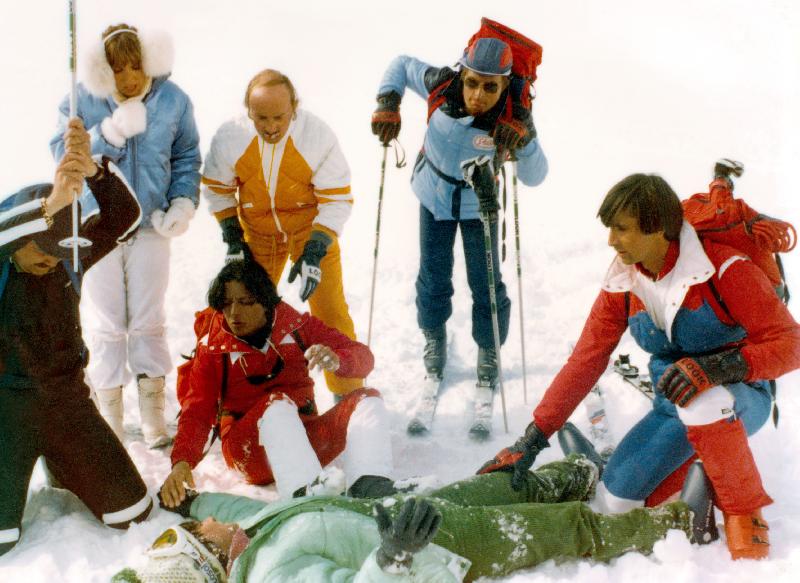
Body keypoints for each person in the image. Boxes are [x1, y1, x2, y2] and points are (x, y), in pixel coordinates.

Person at [479, 170, 800, 560]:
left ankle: (745, 519)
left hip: (739, 397)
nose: (611, 241)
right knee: (616, 504)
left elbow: (791, 344)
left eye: (622, 230)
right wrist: (531, 438)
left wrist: (720, 368)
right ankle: (695, 476)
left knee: (703, 400)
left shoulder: (726, 269)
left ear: (659, 229)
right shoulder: (624, 284)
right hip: (672, 405)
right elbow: (586, 359)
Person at [115, 447, 716, 582]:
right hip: (429, 547)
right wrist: (392, 557)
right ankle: (674, 523)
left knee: (507, 485)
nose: (212, 520)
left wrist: (190, 499)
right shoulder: (273, 575)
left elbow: (236, 505)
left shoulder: (254, 531)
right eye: (202, 527)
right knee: (561, 530)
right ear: (211, 554)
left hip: (410, 509)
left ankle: (578, 473)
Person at [0, 120, 152, 557]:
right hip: (6, 410)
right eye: (41, 248)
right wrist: (49, 206)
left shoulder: (69, 257)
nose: (53, 259)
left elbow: (126, 218)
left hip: (67, 402)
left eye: (59, 250)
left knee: (131, 513)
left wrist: (94, 172)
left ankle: (62, 458)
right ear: (18, 240)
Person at [50, 23, 202, 448]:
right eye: (118, 70)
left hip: (152, 225)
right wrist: (109, 135)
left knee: (149, 319)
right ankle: (110, 421)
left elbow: (187, 154)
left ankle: (153, 416)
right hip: (99, 227)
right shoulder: (80, 103)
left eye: (136, 66)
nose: (130, 78)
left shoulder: (173, 101)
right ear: (104, 72)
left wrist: (182, 201)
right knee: (107, 323)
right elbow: (64, 157)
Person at [371, 35, 548, 392]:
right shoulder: (441, 86)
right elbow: (402, 62)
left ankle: (489, 348)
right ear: (461, 74)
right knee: (433, 277)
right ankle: (434, 336)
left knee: (486, 285)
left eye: (490, 87)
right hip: (433, 198)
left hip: (478, 206)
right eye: (471, 82)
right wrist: (389, 101)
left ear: (504, 85)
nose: (478, 95)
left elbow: (535, 177)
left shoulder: (513, 118)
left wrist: (525, 140)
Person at [159, 259, 393, 509]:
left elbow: (364, 357)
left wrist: (339, 360)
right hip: (248, 453)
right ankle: (305, 498)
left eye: (245, 302)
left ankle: (372, 487)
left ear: (266, 301)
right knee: (277, 403)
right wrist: (182, 462)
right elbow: (197, 411)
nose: (234, 313)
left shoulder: (297, 326)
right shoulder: (213, 347)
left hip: (305, 439)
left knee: (367, 398)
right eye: (226, 303)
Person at [201, 69, 361, 396]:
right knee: (240, 309)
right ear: (248, 111)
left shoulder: (316, 136)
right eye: (261, 118)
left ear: (294, 109)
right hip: (257, 232)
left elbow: (336, 198)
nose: (271, 127)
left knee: (330, 308)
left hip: (309, 228)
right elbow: (217, 189)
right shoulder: (231, 137)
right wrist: (233, 237)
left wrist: (315, 250)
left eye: (279, 117)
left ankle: (348, 393)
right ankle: (226, 395)